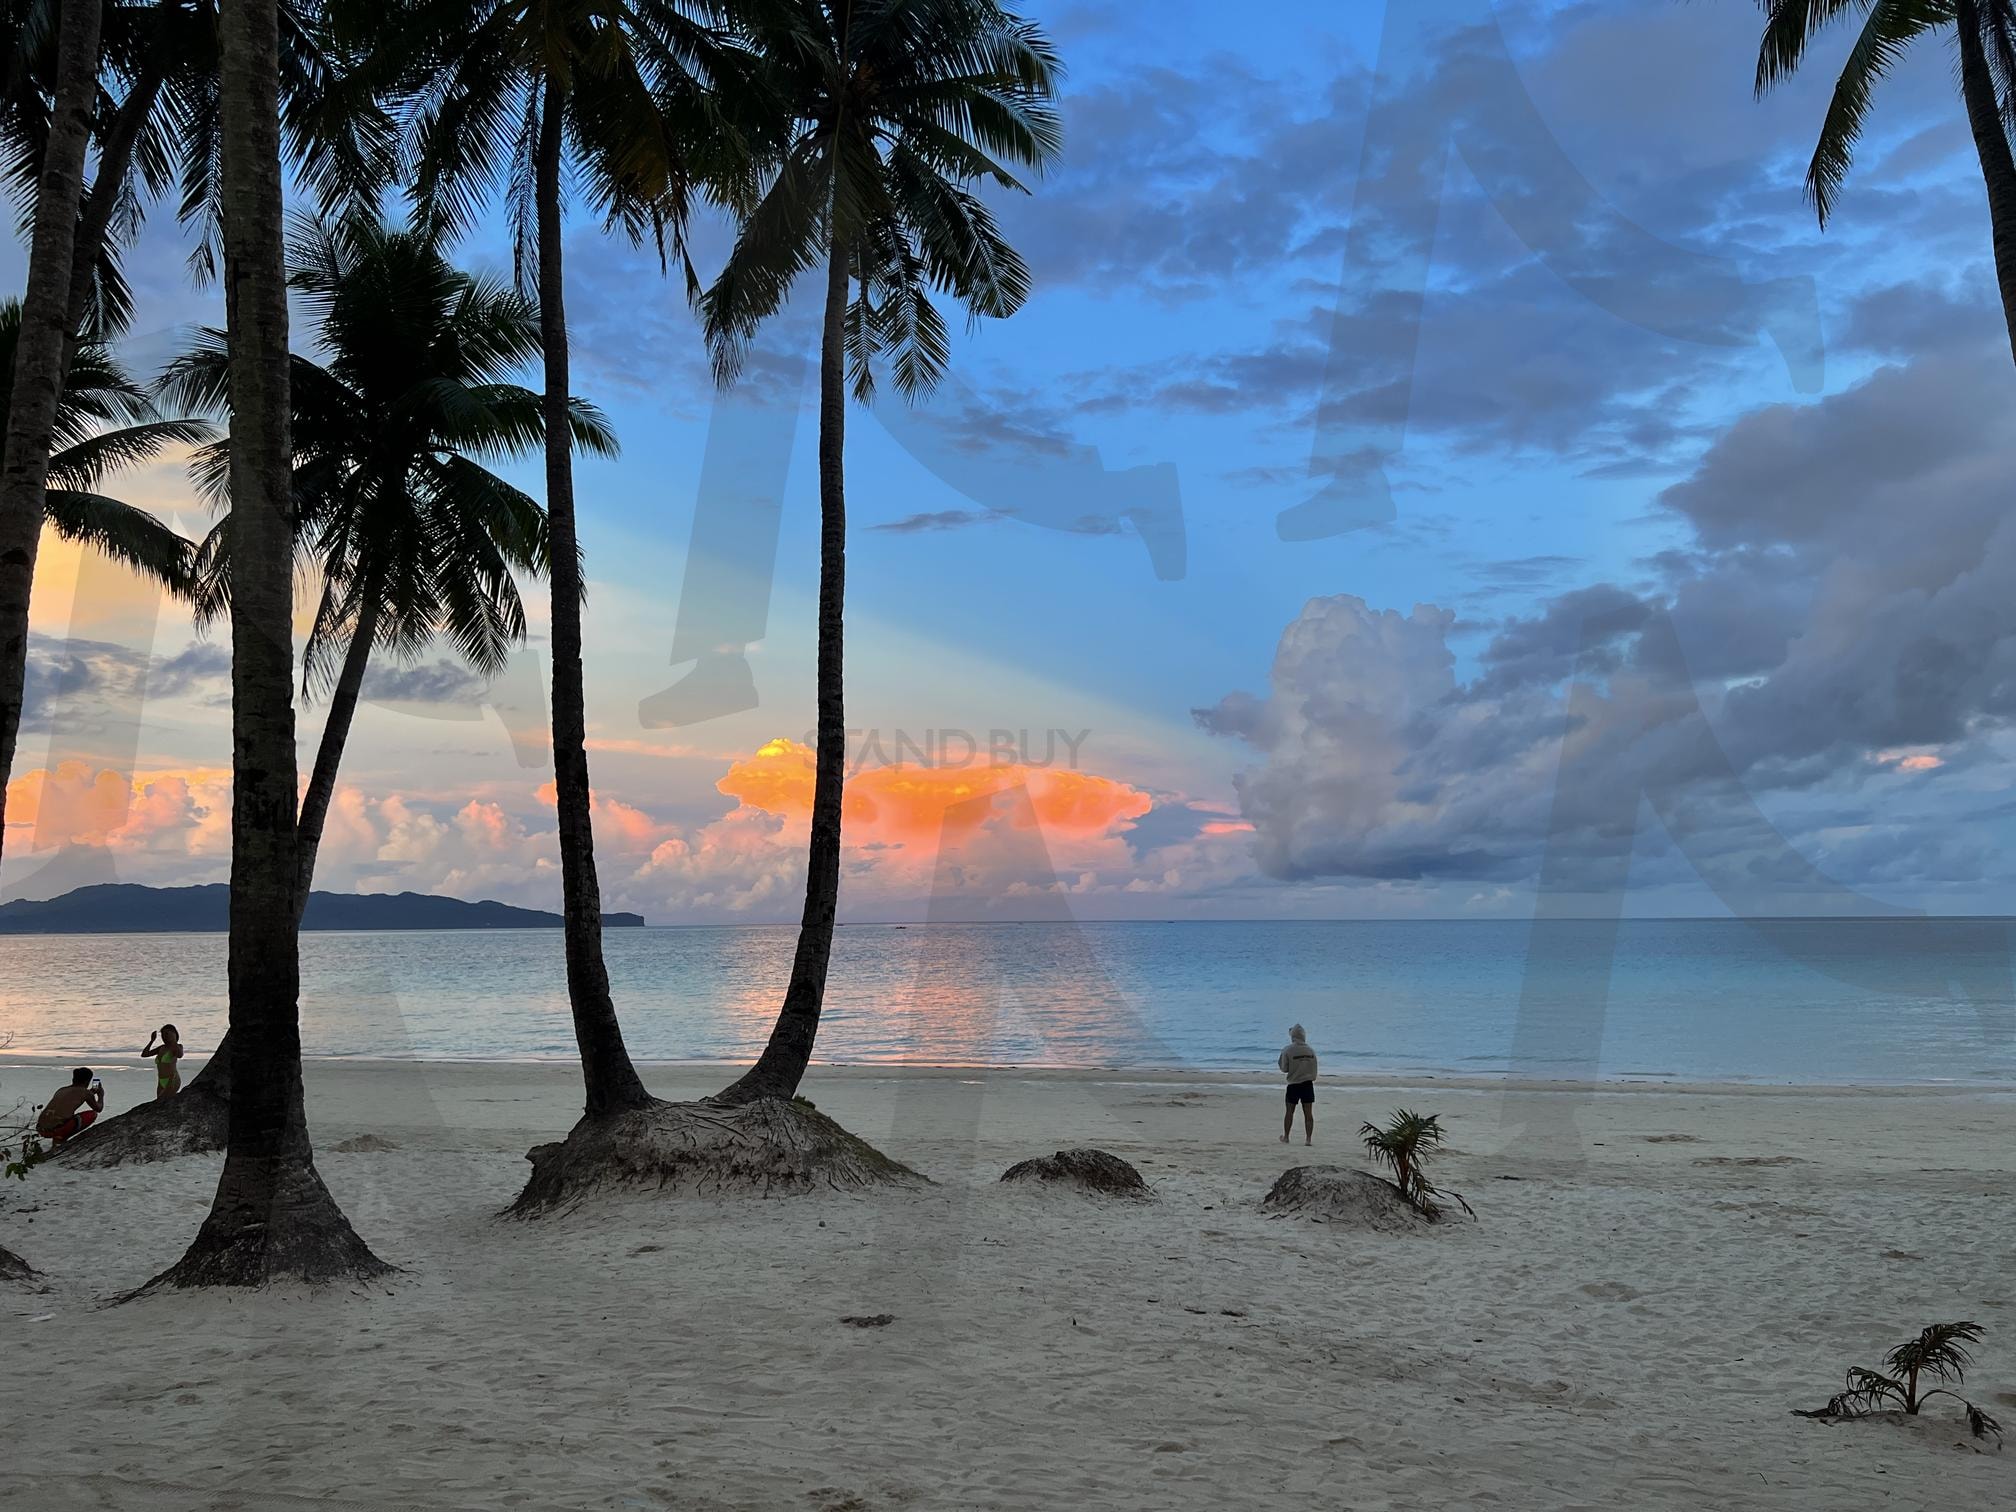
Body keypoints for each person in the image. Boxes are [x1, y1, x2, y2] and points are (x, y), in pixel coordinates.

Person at [36, 1068, 105, 1144]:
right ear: (87, 1081)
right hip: (57, 1130)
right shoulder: (86, 1093)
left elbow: (76, 1096)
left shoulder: (62, 1090)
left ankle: (58, 1138)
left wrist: (91, 1092)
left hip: (41, 1128)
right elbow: (98, 1108)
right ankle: (61, 1139)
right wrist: (100, 1095)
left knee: (61, 1116)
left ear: (73, 1079)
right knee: (92, 1114)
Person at [1278, 1024, 1317, 1145]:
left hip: (1294, 1084)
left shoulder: (1288, 1050)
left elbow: (1283, 1068)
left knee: (1289, 1111)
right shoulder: (1310, 1050)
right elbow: (1314, 1069)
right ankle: (1308, 1139)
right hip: (1307, 1084)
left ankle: (1287, 1137)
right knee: (1308, 1113)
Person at [143, 1024, 185, 1100]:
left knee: (161, 1101)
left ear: (174, 1033)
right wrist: (152, 1041)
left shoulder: (177, 1046)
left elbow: (180, 1055)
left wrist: (174, 1041)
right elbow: (144, 1054)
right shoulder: (162, 1048)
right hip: (161, 1081)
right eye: (162, 1035)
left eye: (167, 1034)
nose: (164, 1037)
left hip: (172, 1079)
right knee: (160, 1103)